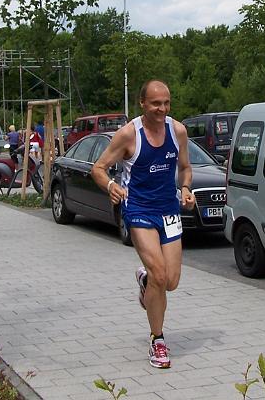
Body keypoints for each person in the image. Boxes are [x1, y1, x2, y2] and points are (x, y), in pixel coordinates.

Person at [92, 79, 195, 369]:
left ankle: (146, 281)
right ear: (142, 103)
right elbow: (98, 168)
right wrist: (110, 185)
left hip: (168, 210)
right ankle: (157, 340)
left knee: (170, 282)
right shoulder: (129, 134)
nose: (162, 109)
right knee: (159, 273)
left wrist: (186, 188)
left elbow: (186, 168)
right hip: (138, 209)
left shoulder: (178, 131)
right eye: (156, 104)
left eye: (166, 103)